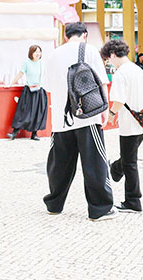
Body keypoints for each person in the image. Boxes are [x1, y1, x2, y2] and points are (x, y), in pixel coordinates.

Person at [42, 22, 116, 221]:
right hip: (88, 116)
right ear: (84, 35)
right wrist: (105, 109)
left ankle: (54, 204)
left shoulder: (53, 54)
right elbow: (102, 82)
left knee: (60, 164)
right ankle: (100, 209)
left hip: (61, 119)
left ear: (66, 36)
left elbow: (47, 86)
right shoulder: (90, 50)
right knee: (94, 163)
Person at [100, 39, 143, 213]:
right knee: (129, 157)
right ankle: (115, 169)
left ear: (113, 55)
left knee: (129, 162)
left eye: (108, 59)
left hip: (129, 124)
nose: (109, 62)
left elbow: (119, 100)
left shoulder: (120, 73)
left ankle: (133, 201)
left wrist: (111, 114)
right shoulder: (138, 70)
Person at [6, 45, 47, 141]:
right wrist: (11, 84)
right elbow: (20, 74)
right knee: (23, 111)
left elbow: (46, 76)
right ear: (31, 53)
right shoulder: (26, 63)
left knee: (38, 112)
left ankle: (34, 134)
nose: (38, 54)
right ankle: (14, 132)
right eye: (35, 52)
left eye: (39, 52)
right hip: (29, 90)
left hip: (39, 91)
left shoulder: (42, 63)